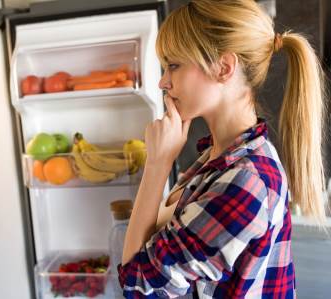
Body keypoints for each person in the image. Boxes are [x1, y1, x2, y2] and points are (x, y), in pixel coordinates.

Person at [117, 0, 327, 298]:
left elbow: (138, 285)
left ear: (224, 68)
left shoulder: (245, 181)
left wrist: (157, 165)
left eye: (173, 65)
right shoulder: (219, 158)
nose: (163, 82)